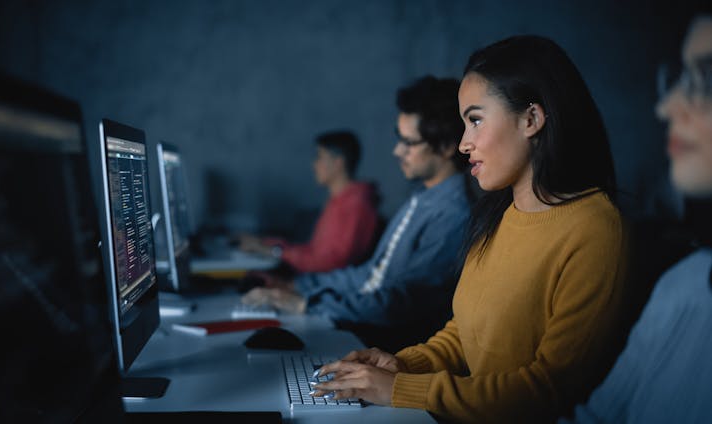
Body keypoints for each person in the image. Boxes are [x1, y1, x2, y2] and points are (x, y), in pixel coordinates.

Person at [310, 36, 629, 422]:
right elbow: (464, 335)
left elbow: (547, 389)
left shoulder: (595, 228)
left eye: (475, 120)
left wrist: (398, 389)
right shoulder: (497, 212)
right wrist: (398, 365)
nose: (463, 144)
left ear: (531, 119)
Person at [243, 75, 473, 350]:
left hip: (387, 344)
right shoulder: (423, 197)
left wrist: (307, 303)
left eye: (409, 143)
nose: (397, 151)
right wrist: (302, 288)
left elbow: (402, 303)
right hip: (365, 325)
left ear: (447, 146)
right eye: (398, 139)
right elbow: (371, 274)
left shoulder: (453, 214)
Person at [562, 15, 712, 424]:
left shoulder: (596, 227)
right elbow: (599, 416)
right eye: (681, 78)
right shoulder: (684, 282)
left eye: (708, 79)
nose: (664, 107)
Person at [237, 130, 380, 273]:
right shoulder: (340, 200)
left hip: (321, 285)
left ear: (338, 163)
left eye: (319, 157)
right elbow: (315, 252)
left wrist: (275, 252)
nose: (314, 164)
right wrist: (264, 243)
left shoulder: (355, 205)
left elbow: (330, 263)